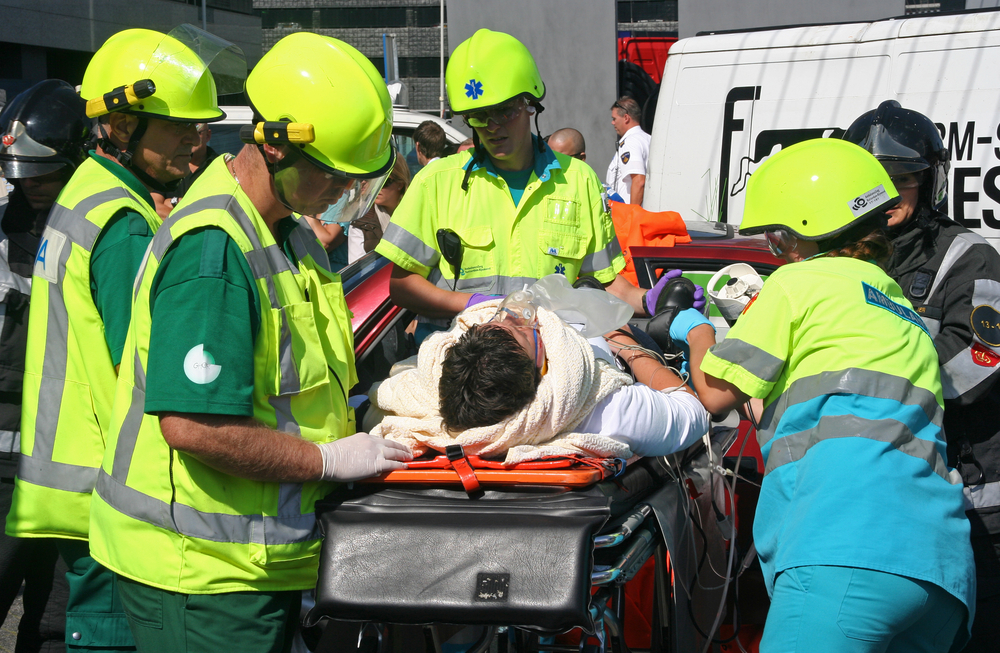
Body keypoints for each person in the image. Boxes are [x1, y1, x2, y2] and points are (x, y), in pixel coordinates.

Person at [86, 32, 412, 653]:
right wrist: (326, 460)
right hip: (199, 572)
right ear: (274, 144)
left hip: (252, 561)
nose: (341, 194)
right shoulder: (214, 250)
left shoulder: (287, 232)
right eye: (331, 175)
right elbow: (193, 426)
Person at [678, 138, 975, 652]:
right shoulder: (897, 304)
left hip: (845, 552)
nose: (775, 250)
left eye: (776, 238)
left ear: (801, 234)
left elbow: (713, 394)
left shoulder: (796, 283)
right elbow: (823, 406)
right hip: (940, 570)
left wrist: (694, 330)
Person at [6, 26, 241, 652]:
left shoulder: (87, 193)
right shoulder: (125, 223)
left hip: (69, 478)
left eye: (201, 126)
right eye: (179, 127)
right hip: (109, 490)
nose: (198, 140)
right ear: (118, 124)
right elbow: (142, 364)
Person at [375, 29, 659, 346]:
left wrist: (651, 300)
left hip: (549, 358)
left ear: (529, 104)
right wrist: (474, 305)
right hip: (458, 358)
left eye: (504, 111)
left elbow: (604, 283)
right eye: (479, 117)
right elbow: (402, 286)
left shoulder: (579, 181)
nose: (492, 126)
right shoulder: (436, 183)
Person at [844, 100, 1000, 653]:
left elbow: (979, 363)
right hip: (882, 496)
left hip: (968, 497)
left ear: (928, 183)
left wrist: (870, 389)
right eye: (870, 182)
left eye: (901, 181)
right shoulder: (847, 259)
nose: (885, 195)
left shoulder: (968, 255)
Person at [371, 289, 708, 462]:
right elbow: (694, 412)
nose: (515, 314)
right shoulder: (600, 406)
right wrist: (626, 344)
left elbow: (375, 396)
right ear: (540, 372)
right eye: (521, 329)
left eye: (495, 320)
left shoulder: (422, 395)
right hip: (620, 343)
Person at [0, 78, 92, 653]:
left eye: (42, 173)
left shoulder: (102, 230)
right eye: (20, 175)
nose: (28, 184)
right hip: (6, 466)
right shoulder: (4, 232)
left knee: (56, 623)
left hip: (72, 470)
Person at [348, 152, 410, 263]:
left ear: (400, 184)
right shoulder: (361, 221)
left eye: (384, 182)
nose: (377, 187)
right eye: (374, 181)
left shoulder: (416, 214)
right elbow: (358, 266)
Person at [152, 122, 221, 218]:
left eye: (197, 133)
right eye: (183, 132)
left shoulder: (221, 168)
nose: (190, 139)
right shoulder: (166, 165)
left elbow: (218, 211)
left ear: (208, 136)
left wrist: (173, 202)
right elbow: (155, 208)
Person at [606, 96, 650, 205]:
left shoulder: (630, 142)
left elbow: (639, 181)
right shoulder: (648, 139)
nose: (612, 123)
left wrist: (633, 213)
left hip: (629, 211)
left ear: (626, 118)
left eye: (614, 119)